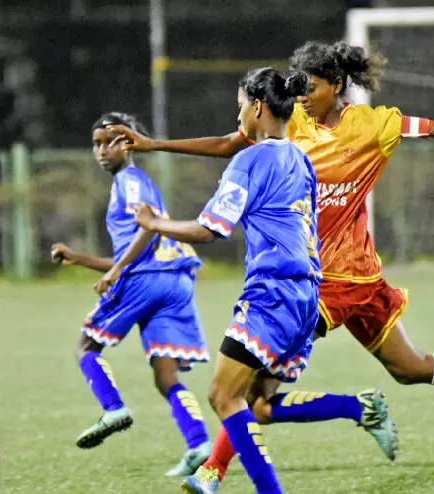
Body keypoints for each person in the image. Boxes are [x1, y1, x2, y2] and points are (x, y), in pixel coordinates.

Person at [109, 40, 434, 486]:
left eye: (310, 87)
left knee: (264, 390)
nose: (302, 96)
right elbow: (232, 142)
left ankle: (214, 471)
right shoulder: (291, 126)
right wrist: (153, 147)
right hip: (329, 279)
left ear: (335, 85)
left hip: (336, 282)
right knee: (303, 386)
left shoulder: (374, 125)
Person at [132, 67, 395, 494]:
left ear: (257, 107)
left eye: (239, 106)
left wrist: (154, 222)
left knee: (222, 396)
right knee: (257, 403)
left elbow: (211, 228)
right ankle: (216, 474)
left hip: (273, 292)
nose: (237, 115)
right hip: (307, 293)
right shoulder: (299, 158)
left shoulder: (249, 160)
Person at [50, 112, 212, 477]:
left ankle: (113, 409)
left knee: (85, 346)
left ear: (130, 143)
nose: (103, 150)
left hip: (146, 279)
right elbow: (138, 248)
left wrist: (116, 271)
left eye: (111, 141)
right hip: (174, 282)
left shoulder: (131, 181)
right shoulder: (128, 183)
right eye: (97, 143)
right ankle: (199, 443)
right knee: (166, 374)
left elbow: (149, 228)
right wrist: (82, 260)